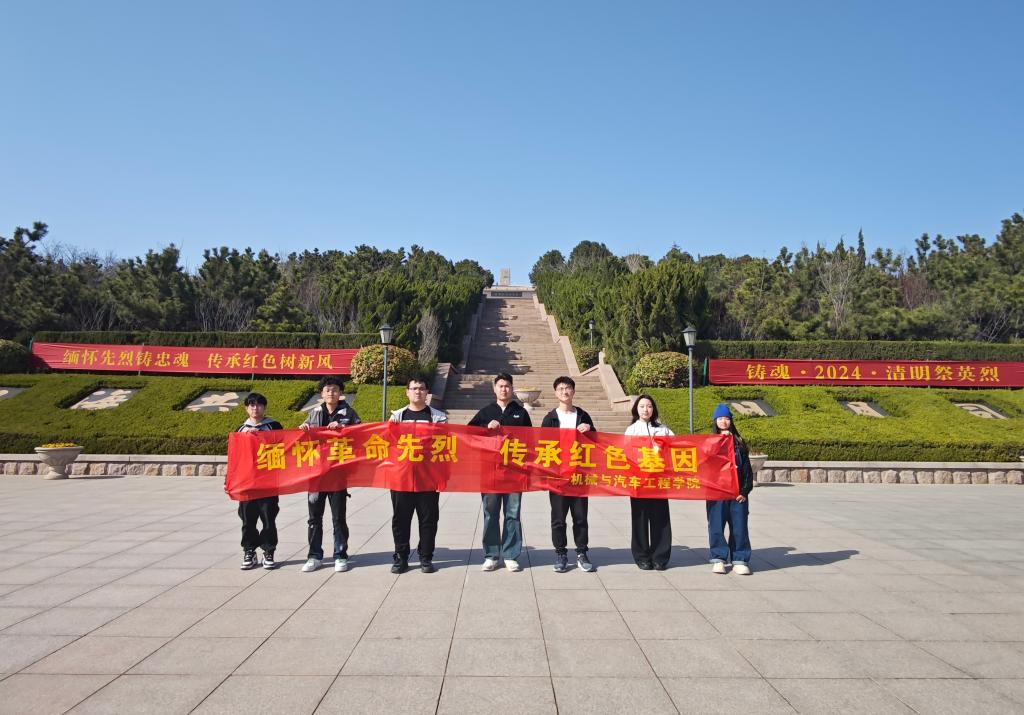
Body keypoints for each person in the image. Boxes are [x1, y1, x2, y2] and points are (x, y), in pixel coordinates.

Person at [468, 372, 533, 572]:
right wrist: (485, 427)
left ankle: (511, 555)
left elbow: (531, 441)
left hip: (514, 473)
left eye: (507, 386)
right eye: (500, 386)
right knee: (490, 514)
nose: (504, 389)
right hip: (490, 472)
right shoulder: (485, 412)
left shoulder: (521, 413)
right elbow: (469, 434)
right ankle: (491, 555)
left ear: (512, 389)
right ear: (494, 389)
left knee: (512, 514)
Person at [300, 376, 361, 573]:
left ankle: (340, 555)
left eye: (335, 390)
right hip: (316, 475)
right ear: (322, 393)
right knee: (314, 518)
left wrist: (344, 430)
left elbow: (361, 435)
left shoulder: (349, 413)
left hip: (337, 475)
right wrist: (304, 430)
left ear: (340, 393)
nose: (331, 393)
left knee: (338, 518)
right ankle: (314, 556)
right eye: (327, 390)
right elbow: (304, 440)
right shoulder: (314, 413)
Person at [388, 376, 448, 574]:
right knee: (400, 519)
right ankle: (401, 557)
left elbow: (445, 446)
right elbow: (388, 445)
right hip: (402, 477)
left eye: (421, 388)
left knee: (428, 519)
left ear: (427, 392)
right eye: (414, 388)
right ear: (407, 392)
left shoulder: (438, 417)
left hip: (428, 478)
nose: (417, 392)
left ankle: (425, 557)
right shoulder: (397, 416)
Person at [541, 376, 597, 573]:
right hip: (557, 478)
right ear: (556, 393)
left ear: (573, 391)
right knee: (558, 519)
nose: (565, 392)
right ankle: (561, 554)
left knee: (580, 517)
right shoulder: (550, 418)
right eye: (561, 389)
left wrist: (590, 429)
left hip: (579, 476)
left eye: (568, 388)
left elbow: (596, 442)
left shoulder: (582, 415)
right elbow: (542, 446)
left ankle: (582, 552)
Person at [234, 392, 283, 570]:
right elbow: (235, 457)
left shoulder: (273, 426)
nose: (256, 408)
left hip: (268, 482)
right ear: (246, 408)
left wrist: (262, 437)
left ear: (264, 407)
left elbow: (283, 447)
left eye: (259, 405)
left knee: (268, 518)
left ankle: (268, 551)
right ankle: (249, 551)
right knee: (247, 519)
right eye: (252, 405)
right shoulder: (240, 430)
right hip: (246, 483)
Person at [624, 395, 674, 570]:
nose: (646, 409)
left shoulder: (664, 430)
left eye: (649, 406)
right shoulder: (631, 430)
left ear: (653, 409)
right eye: (642, 406)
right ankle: (642, 556)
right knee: (640, 518)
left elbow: (676, 448)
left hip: (659, 481)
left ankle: (660, 557)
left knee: (661, 518)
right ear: (636, 409)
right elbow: (626, 454)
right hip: (639, 481)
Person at [707, 403, 754, 575]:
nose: (724, 422)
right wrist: (720, 441)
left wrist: (744, 491)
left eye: (727, 418)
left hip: (737, 494)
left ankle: (740, 559)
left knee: (739, 527)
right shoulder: (709, 442)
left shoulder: (739, 443)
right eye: (720, 418)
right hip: (717, 493)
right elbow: (705, 464)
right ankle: (718, 558)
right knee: (716, 526)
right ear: (715, 421)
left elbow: (747, 470)